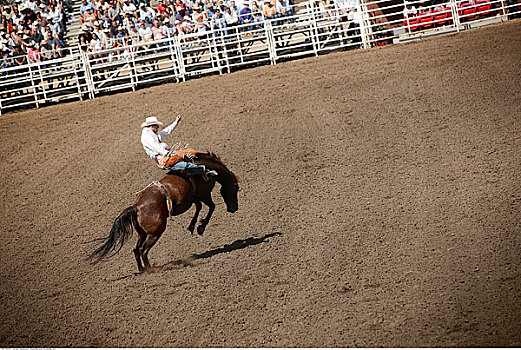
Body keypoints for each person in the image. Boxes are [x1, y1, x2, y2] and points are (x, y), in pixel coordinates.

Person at [140, 115, 218, 176]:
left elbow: (166, 132)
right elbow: (156, 147)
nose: (158, 127)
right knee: (184, 165)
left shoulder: (152, 134)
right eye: (157, 125)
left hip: (164, 154)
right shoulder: (147, 136)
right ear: (152, 126)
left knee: (187, 153)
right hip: (162, 158)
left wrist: (176, 122)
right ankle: (204, 171)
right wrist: (167, 153)